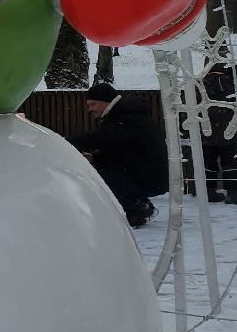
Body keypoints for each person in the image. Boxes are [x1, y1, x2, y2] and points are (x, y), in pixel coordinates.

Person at [68, 82, 166, 228]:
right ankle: (137, 204)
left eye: (92, 104)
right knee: (99, 173)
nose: (89, 109)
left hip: (148, 177)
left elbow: (96, 139)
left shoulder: (124, 118)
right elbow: (120, 152)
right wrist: (95, 158)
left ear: (105, 102)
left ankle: (134, 211)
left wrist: (62, 142)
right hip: (144, 173)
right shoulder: (123, 115)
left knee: (96, 179)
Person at [198, 63, 237, 204]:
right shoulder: (232, 81)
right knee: (231, 161)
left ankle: (208, 191)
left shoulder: (201, 82)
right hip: (228, 128)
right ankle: (234, 192)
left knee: (208, 162)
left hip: (207, 130)